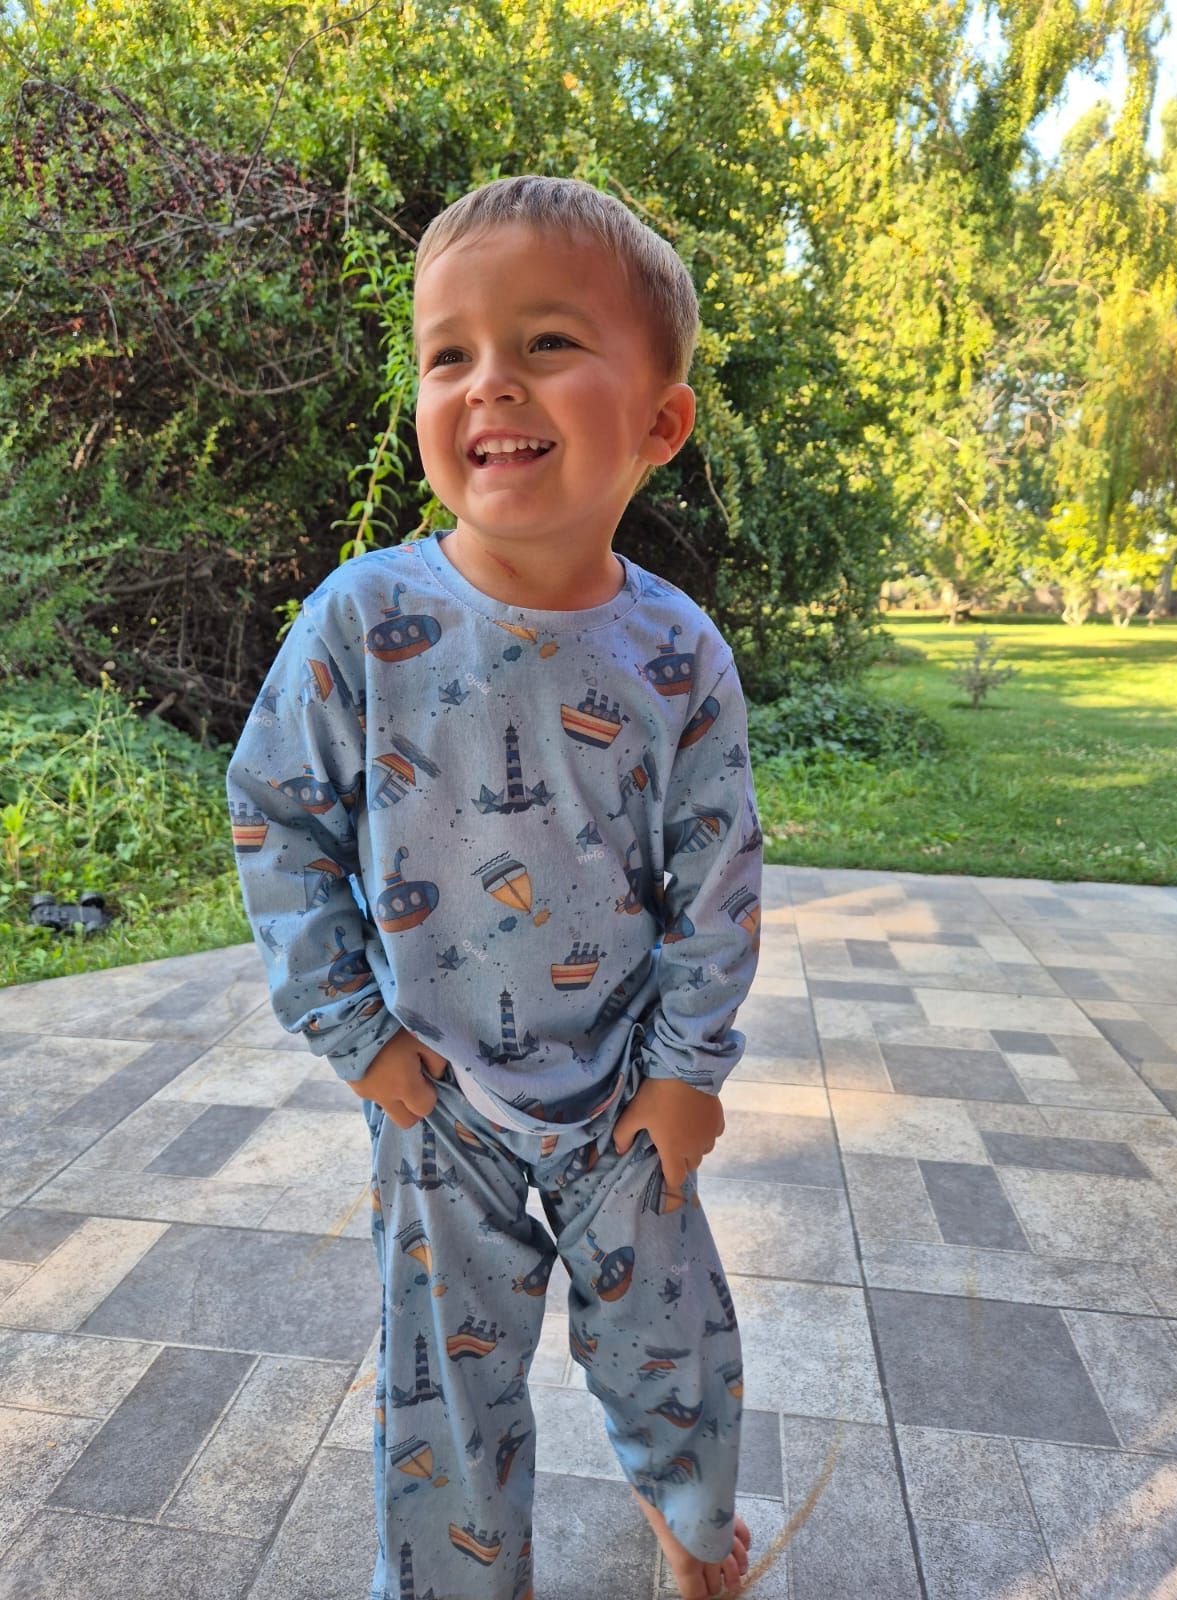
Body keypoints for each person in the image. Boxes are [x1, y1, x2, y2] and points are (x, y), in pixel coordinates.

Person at [226, 173, 763, 1600]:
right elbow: (275, 818)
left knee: (678, 1349)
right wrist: (358, 1034)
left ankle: (693, 1520)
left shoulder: (676, 658)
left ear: (659, 423)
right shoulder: (366, 626)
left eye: (544, 343)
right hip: (439, 1100)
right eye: (447, 353)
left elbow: (718, 878)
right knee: (441, 1396)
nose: (488, 385)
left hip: (625, 1097)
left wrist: (691, 1068)